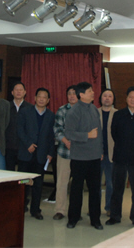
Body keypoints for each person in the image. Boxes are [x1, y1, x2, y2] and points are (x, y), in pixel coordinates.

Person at [106, 86, 134, 227]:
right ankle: (115, 216)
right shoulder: (118, 115)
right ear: (126, 99)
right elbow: (114, 133)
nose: (133, 100)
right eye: (130, 97)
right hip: (119, 158)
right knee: (117, 189)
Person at [64, 82, 103, 230]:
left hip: (94, 157)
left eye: (92, 90)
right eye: (89, 91)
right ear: (81, 95)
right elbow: (69, 133)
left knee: (95, 190)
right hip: (79, 158)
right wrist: (87, 135)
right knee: (76, 190)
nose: (93, 93)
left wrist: (100, 151)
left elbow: (99, 134)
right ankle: (73, 218)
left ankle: (95, 219)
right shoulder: (73, 111)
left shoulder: (94, 109)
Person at [17, 88, 55, 220]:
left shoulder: (50, 115)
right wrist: (28, 144)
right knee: (23, 182)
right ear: (34, 98)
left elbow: (51, 136)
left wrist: (50, 153)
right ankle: (21, 207)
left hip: (41, 155)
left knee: (38, 184)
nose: (41, 99)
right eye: (39, 96)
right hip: (26, 153)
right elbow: (20, 130)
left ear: (48, 100)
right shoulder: (25, 111)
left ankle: (35, 210)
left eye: (44, 97)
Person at [52, 85, 78, 220]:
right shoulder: (62, 110)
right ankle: (60, 210)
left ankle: (75, 211)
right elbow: (57, 130)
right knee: (62, 182)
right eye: (69, 93)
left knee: (77, 184)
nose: (72, 96)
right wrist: (67, 141)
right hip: (64, 152)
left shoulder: (84, 110)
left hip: (80, 153)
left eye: (74, 93)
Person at [98, 88, 117, 216]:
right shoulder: (94, 112)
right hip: (96, 154)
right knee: (95, 183)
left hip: (112, 154)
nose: (107, 98)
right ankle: (94, 207)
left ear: (113, 99)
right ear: (101, 98)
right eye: (105, 95)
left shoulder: (118, 114)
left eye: (110, 96)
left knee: (111, 183)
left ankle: (109, 207)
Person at [6, 82, 33, 171]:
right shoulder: (6, 107)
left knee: (23, 174)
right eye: (16, 90)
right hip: (9, 147)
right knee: (9, 174)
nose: (18, 92)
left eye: (21, 90)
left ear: (25, 92)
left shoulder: (30, 108)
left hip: (24, 147)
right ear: (12, 92)